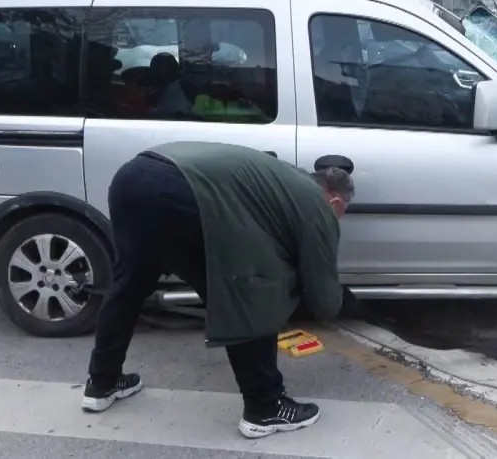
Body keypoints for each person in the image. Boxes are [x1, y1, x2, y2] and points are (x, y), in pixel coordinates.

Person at [82, 141, 355, 439]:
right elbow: (322, 294)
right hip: (181, 190)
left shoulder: (284, 179)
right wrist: (343, 305)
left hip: (132, 177)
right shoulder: (317, 205)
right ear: (336, 203)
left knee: (129, 285)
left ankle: (101, 382)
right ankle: (265, 407)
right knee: (253, 290)